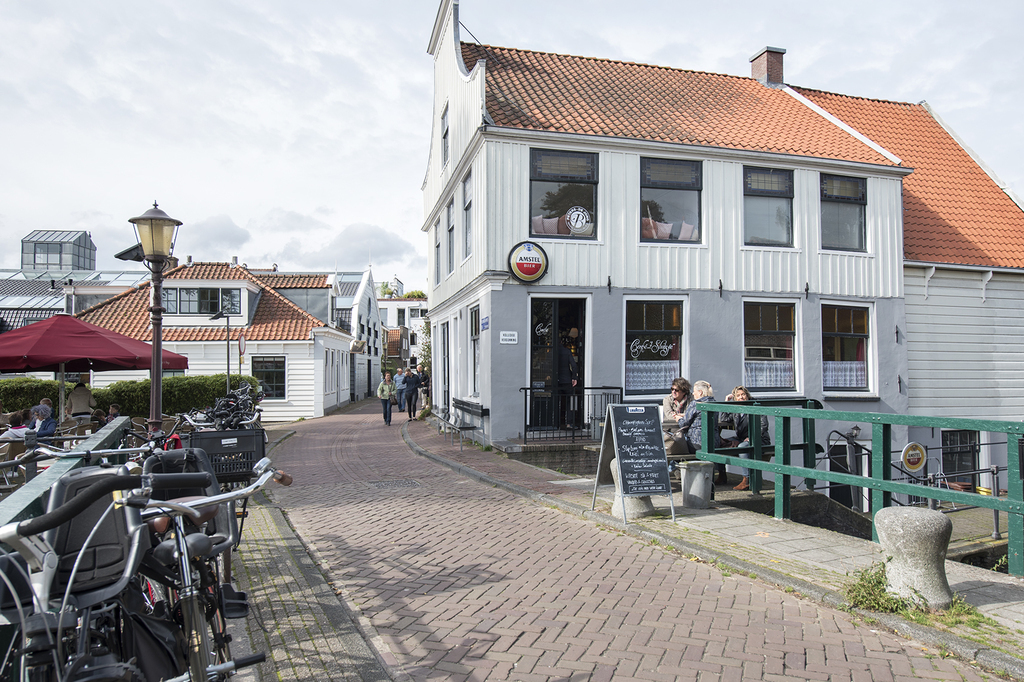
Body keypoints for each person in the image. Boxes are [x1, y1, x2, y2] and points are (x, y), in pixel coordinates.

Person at [724, 386, 772, 491]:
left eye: (743, 394)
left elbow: (763, 425)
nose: (741, 397)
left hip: (760, 439)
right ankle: (722, 475)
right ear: (735, 398)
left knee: (742, 447)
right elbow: (724, 419)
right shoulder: (736, 409)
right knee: (719, 443)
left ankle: (747, 479)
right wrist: (727, 402)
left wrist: (752, 437)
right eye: (738, 395)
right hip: (741, 438)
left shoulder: (756, 406)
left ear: (747, 395)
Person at [677, 380, 725, 484]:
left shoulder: (696, 403)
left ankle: (679, 473)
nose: (693, 393)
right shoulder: (714, 402)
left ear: (701, 392)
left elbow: (683, 423)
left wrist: (678, 418)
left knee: (676, 444)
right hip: (714, 443)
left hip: (697, 443)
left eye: (694, 391)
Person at [662, 377, 692, 457]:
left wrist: (679, 415)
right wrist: (684, 415)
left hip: (685, 430)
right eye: (672, 389)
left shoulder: (691, 399)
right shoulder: (667, 399)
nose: (673, 392)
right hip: (670, 431)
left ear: (684, 392)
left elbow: (692, 415)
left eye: (677, 390)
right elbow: (669, 416)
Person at [556, 335, 579, 429]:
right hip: (567, 380)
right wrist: (574, 378)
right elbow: (574, 365)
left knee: (556, 401)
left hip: (556, 381)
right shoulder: (567, 351)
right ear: (561, 342)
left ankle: (555, 423)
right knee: (570, 401)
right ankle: (569, 423)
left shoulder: (552, 351)